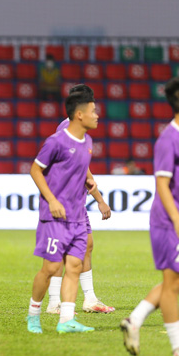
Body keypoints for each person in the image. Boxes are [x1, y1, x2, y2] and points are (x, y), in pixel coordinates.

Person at [121, 77, 179, 356]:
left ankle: (134, 320)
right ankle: (178, 346)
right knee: (172, 282)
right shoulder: (169, 139)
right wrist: (178, 219)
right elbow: (162, 185)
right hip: (169, 223)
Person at [26, 90, 99, 334]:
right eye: (92, 111)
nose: (97, 115)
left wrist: (91, 187)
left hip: (78, 215)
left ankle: (66, 320)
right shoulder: (56, 141)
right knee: (49, 269)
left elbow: (80, 172)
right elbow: (35, 170)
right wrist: (52, 200)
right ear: (79, 115)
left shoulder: (88, 142)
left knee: (75, 267)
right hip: (55, 216)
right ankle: (33, 315)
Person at [45, 84, 114, 315]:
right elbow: (84, 171)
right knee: (61, 251)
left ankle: (90, 299)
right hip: (64, 201)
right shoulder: (69, 129)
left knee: (87, 246)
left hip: (76, 201)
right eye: (92, 105)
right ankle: (54, 302)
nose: (95, 112)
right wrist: (100, 200)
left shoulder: (76, 129)